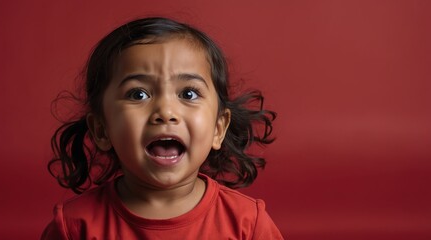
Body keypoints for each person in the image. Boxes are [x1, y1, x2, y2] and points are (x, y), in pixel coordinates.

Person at [41, 17, 283, 240]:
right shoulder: (73, 227)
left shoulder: (248, 224)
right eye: (138, 94)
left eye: (188, 93)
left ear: (218, 129)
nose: (166, 112)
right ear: (102, 130)